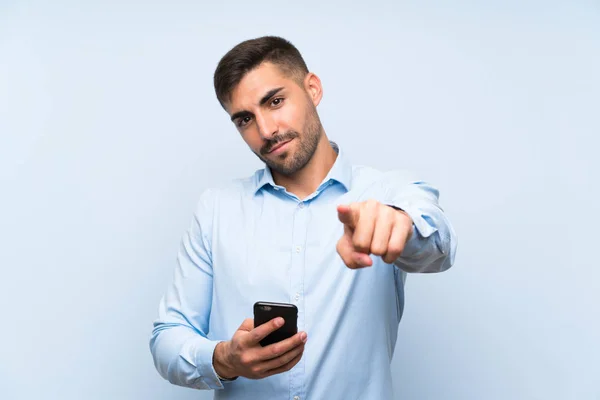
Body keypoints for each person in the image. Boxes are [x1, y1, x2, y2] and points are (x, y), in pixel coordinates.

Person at [149, 35, 457, 400]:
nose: (266, 131)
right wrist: (225, 359)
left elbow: (438, 243)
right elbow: (167, 336)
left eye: (275, 101)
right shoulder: (216, 209)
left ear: (312, 89)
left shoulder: (388, 193)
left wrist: (399, 227)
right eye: (245, 119)